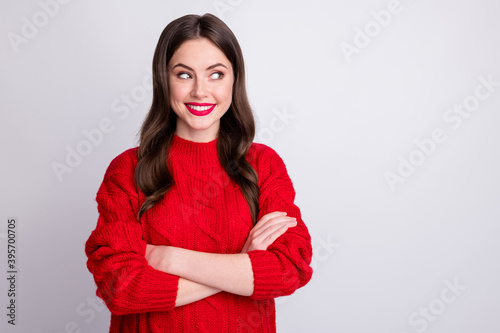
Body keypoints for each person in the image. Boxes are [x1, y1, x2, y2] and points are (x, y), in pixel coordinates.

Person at [85, 13, 313, 333]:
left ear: (235, 79)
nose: (200, 92)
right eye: (184, 75)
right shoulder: (127, 170)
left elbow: (290, 268)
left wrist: (169, 259)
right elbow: (119, 287)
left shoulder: (263, 165)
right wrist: (242, 265)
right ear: (163, 80)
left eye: (216, 74)